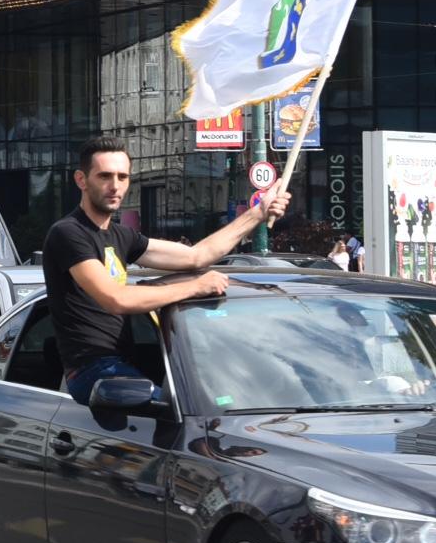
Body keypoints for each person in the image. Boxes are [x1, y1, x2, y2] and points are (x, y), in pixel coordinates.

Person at [42, 134, 290, 405]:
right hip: (93, 373)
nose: (115, 186)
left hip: (122, 367)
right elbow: (115, 298)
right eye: (104, 176)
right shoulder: (68, 233)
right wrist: (195, 286)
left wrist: (257, 213)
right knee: (179, 419)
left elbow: (198, 256)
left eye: (122, 177)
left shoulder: (123, 236)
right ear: (82, 180)